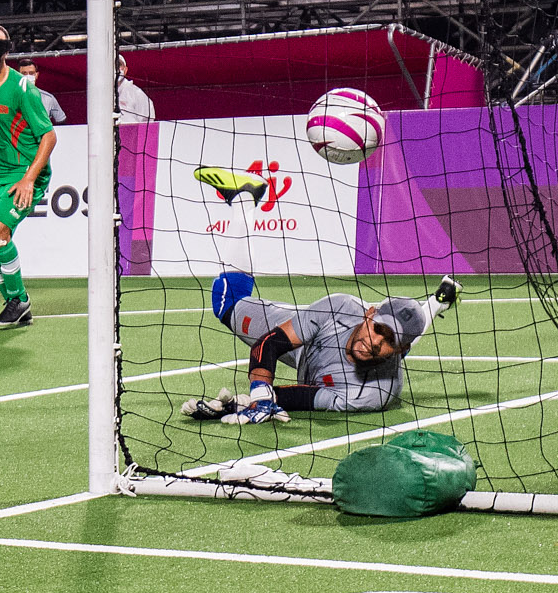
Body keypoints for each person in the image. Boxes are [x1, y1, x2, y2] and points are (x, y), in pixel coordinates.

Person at [180, 167, 458, 421]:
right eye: (377, 328)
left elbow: (302, 396)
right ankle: (245, 198)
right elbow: (269, 344)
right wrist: (259, 388)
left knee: (384, 353)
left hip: (335, 371)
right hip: (312, 338)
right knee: (227, 304)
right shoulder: (341, 307)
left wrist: (243, 404)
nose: (375, 340)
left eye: (388, 340)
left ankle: (435, 303)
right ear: (369, 312)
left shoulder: (374, 395)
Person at [0, 24, 54, 327]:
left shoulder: (22, 88)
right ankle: (15, 302)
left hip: (27, 174)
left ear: (5, 53)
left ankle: (19, 299)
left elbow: (49, 137)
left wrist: (29, 179)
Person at [16, 59, 66, 124]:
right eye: (24, 73)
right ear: (17, 75)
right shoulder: (9, 97)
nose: (28, 76)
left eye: (31, 73)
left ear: (36, 75)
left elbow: (61, 120)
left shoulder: (48, 98)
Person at [116, 53, 155, 124]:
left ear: (125, 70)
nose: (116, 69)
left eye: (118, 65)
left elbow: (148, 120)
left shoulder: (136, 93)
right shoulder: (100, 95)